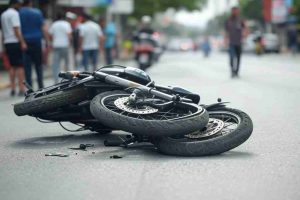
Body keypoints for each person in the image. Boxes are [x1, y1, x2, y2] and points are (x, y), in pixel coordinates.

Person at [19, 0, 48, 89]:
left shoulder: (19, 13)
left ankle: (30, 88)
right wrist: (47, 41)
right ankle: (41, 86)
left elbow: (18, 29)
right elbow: (43, 27)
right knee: (38, 65)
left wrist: (22, 42)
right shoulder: (37, 12)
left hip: (25, 42)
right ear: (30, 3)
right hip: (37, 41)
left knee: (27, 67)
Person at [1, 0, 26, 96]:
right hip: (15, 42)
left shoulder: (3, 14)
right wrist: (22, 42)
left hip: (7, 42)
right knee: (20, 66)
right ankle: (21, 88)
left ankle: (12, 88)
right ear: (15, 4)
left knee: (12, 66)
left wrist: (3, 44)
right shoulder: (15, 14)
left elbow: (3, 30)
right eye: (19, 4)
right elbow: (16, 29)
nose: (20, 6)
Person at [48, 12, 72, 83]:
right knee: (67, 62)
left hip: (56, 45)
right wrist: (69, 43)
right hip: (65, 45)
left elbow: (50, 35)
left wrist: (52, 42)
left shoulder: (54, 24)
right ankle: (68, 79)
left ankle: (56, 80)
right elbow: (69, 35)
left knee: (56, 64)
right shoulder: (66, 24)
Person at [225, 7, 246, 78]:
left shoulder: (240, 20)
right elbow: (226, 31)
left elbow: (245, 28)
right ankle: (232, 71)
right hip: (231, 42)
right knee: (231, 57)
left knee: (238, 58)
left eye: (236, 11)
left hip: (239, 42)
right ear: (232, 11)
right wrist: (225, 40)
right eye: (234, 11)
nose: (235, 12)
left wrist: (245, 35)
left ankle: (236, 72)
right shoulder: (228, 20)